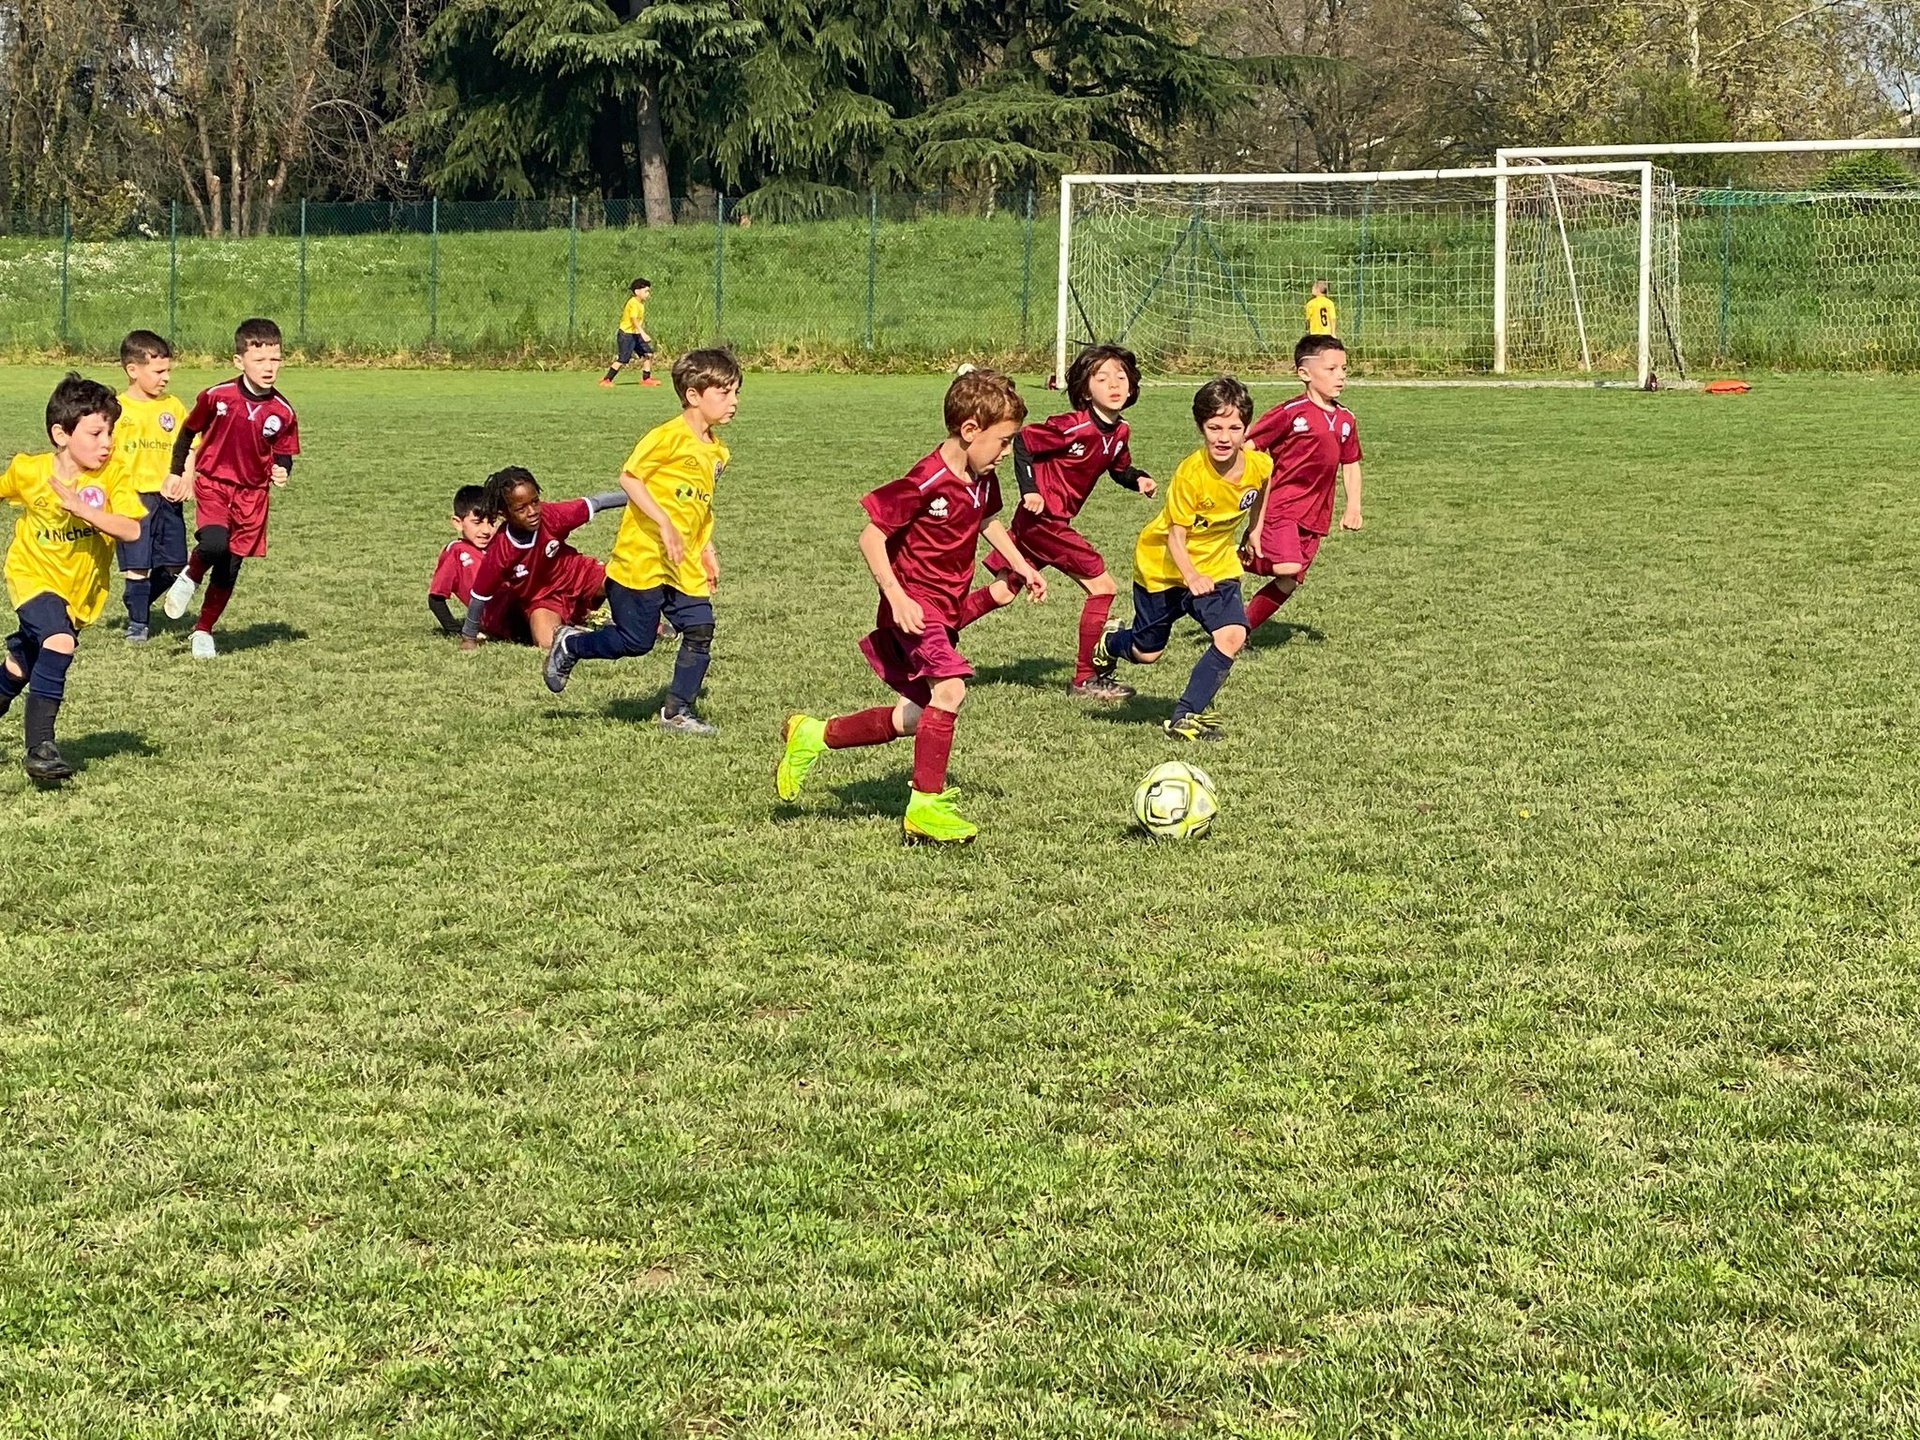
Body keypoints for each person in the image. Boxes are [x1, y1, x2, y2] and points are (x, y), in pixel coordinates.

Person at [774, 368, 1047, 844]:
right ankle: (924, 808)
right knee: (952, 692)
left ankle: (813, 734)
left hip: (945, 608)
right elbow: (871, 537)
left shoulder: (981, 479)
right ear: (969, 431)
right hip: (914, 608)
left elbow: (988, 522)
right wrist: (896, 596)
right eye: (1003, 442)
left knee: (917, 717)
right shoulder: (925, 480)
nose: (1008, 454)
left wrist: (1021, 566)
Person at [544, 349, 741, 736]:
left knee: (701, 627)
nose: (734, 401)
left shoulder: (719, 451)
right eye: (725, 392)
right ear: (693, 394)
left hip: (682, 560)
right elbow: (630, 479)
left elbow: (699, 506)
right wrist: (663, 522)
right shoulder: (666, 436)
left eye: (736, 392)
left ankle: (677, 712)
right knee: (635, 642)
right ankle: (571, 645)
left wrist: (707, 548)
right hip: (643, 558)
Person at [957, 343, 1156, 700]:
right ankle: (1085, 679)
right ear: (1084, 389)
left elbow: (1118, 467)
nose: (1114, 384)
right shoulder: (1072, 426)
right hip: (1044, 520)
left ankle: (930, 637)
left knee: (1002, 593)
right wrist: (1030, 490)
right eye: (1102, 377)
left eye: (1121, 377)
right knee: (1104, 587)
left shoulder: (1120, 431)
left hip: (1045, 523)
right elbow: (1024, 444)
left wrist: (1137, 478)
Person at [1088, 375, 1272, 742]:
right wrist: (1190, 577)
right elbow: (1175, 536)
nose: (1224, 437)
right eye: (1214, 427)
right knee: (1146, 652)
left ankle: (1184, 716)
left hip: (1216, 565)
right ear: (1200, 426)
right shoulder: (1191, 475)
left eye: (1234, 427)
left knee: (1233, 635)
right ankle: (1111, 642)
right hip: (1163, 565)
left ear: (1245, 428)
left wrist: (1254, 529)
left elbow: (1263, 486)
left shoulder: (1257, 464)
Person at [0, 374, 143, 782]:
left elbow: (131, 530)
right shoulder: (30, 471)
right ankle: (40, 748)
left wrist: (88, 511)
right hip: (31, 576)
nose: (107, 442)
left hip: (78, 592)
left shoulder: (112, 473)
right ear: (60, 434)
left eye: (110, 431)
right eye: (96, 432)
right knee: (58, 641)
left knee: (19, 666)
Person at [160, 317, 300, 658]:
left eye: (275, 359)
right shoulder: (216, 396)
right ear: (240, 361)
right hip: (214, 483)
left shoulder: (282, 411)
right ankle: (190, 578)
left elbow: (284, 453)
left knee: (230, 565)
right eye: (260, 360)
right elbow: (187, 432)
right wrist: (178, 472)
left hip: (252, 495)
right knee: (214, 542)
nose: (269, 368)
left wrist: (282, 469)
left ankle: (203, 630)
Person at [1242, 334, 1363, 633]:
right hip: (1281, 506)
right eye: (1331, 369)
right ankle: (1229, 561)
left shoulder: (1346, 419)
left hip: (1316, 514)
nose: (1341, 376)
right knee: (1288, 567)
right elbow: (1249, 445)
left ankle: (1239, 631)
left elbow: (1350, 463)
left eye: (1344, 369)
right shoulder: (1290, 412)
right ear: (1305, 374)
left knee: (1289, 581)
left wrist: (1353, 507)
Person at [460, 468, 620, 652]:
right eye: (521, 508)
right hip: (544, 599)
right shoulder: (500, 550)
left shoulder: (551, 515)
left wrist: (639, 496)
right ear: (504, 513)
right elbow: (479, 596)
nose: (532, 511)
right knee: (547, 642)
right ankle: (591, 632)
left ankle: (648, 625)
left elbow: (597, 502)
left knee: (622, 579)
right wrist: (468, 638)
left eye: (535, 502)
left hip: (578, 575)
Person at [110, 330, 190, 642]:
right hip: (131, 498)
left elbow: (191, 446)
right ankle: (138, 624)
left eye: (168, 370)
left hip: (168, 497)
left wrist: (187, 478)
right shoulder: (116, 409)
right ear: (133, 370)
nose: (166, 378)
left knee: (175, 564)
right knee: (138, 565)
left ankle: (136, 599)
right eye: (158, 371)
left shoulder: (173, 406)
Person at [428, 484, 498, 637]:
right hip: (501, 621)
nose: (486, 530)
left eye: (492, 521)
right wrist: (457, 631)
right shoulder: (456, 551)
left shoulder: (501, 545)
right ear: (458, 523)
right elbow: (435, 598)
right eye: (477, 522)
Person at [600, 279, 658, 387]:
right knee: (623, 359)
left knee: (648, 354)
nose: (648, 294)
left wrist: (639, 333)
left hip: (635, 334)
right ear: (637, 292)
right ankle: (606, 380)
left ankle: (646, 379)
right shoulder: (633, 303)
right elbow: (634, 320)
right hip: (626, 335)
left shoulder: (640, 303)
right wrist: (643, 333)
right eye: (646, 291)